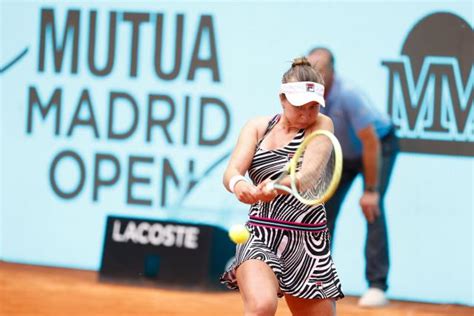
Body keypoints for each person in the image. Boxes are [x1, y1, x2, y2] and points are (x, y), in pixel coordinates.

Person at [220, 57, 344, 316]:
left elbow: (308, 175)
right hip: (260, 236)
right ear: (282, 99)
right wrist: (240, 184)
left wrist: (275, 185)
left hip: (309, 243)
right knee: (262, 306)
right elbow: (231, 172)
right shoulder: (257, 127)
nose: (307, 114)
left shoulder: (323, 125)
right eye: (299, 106)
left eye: (313, 107)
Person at [307, 47, 399, 307]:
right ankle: (318, 279)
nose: (315, 77)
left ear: (332, 72)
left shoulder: (348, 95)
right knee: (322, 211)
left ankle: (377, 286)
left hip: (379, 147)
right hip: (341, 155)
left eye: (320, 72)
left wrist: (370, 189)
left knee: (372, 207)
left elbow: (370, 142)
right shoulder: (305, 95)